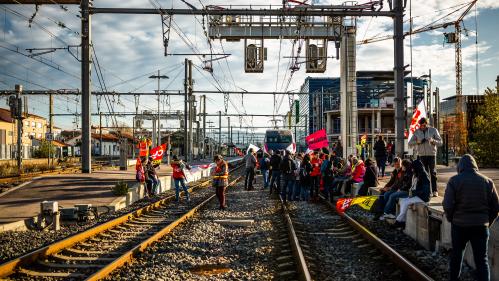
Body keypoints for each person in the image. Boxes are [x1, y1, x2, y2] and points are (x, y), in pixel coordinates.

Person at [443, 154, 499, 281]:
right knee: (482, 261)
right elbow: (496, 207)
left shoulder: (454, 181)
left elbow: (447, 205)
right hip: (480, 226)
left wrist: (452, 218)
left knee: (456, 256)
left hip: (459, 225)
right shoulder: (487, 181)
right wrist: (487, 222)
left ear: (460, 167)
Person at [408, 117, 442, 197]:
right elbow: (410, 143)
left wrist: (433, 140)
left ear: (426, 124)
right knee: (424, 174)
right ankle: (427, 191)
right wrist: (417, 141)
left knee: (433, 173)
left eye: (423, 125)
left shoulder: (433, 130)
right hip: (422, 155)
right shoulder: (417, 132)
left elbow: (441, 142)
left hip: (432, 154)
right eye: (421, 125)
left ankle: (434, 190)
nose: (422, 127)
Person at [393, 159, 431, 228]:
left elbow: (425, 191)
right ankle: (402, 221)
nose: (412, 169)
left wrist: (413, 193)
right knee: (402, 201)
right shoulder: (417, 174)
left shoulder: (424, 176)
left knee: (405, 202)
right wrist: (412, 192)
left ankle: (398, 221)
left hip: (423, 197)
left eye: (413, 168)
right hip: (418, 195)